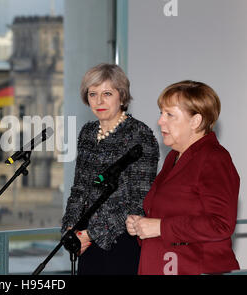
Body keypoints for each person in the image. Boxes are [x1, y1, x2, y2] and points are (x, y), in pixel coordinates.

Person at [126, 80, 240, 275]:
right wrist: (142, 224)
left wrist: (161, 227)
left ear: (196, 121)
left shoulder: (214, 158)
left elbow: (221, 224)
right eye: (161, 113)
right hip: (162, 265)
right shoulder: (174, 156)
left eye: (170, 114)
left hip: (194, 268)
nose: (161, 121)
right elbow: (171, 213)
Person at [61, 63, 159, 275]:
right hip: (85, 241)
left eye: (107, 93)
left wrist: (91, 233)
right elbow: (79, 188)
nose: (99, 101)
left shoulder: (140, 135)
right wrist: (70, 228)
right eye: (93, 94)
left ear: (122, 97)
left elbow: (140, 201)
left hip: (121, 240)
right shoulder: (87, 133)